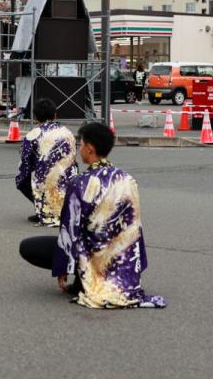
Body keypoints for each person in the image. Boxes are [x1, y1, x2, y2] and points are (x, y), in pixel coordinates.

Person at [18, 122, 166, 309]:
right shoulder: (127, 179)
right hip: (122, 257)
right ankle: (115, 277)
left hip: (91, 254)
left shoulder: (80, 183)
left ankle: (82, 279)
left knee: (29, 247)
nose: (80, 149)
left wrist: (61, 267)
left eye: (81, 145)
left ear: (89, 149)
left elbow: (69, 231)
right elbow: (135, 227)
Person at [15, 98, 78, 226]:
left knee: (21, 179)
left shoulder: (33, 135)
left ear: (36, 118)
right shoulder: (67, 132)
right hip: (70, 181)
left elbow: (25, 164)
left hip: (47, 182)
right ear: (55, 115)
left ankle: (43, 209)